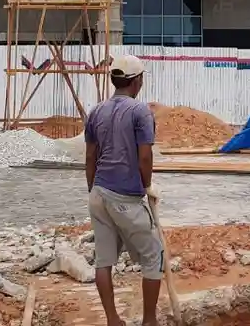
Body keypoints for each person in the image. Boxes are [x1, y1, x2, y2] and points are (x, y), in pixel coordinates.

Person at [84, 55, 164, 326]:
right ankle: (150, 320)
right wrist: (147, 186)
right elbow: (145, 157)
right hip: (125, 196)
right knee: (154, 255)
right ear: (137, 80)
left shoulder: (96, 111)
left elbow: (90, 157)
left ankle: (113, 320)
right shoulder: (140, 112)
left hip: (99, 193)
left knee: (104, 260)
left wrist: (93, 190)